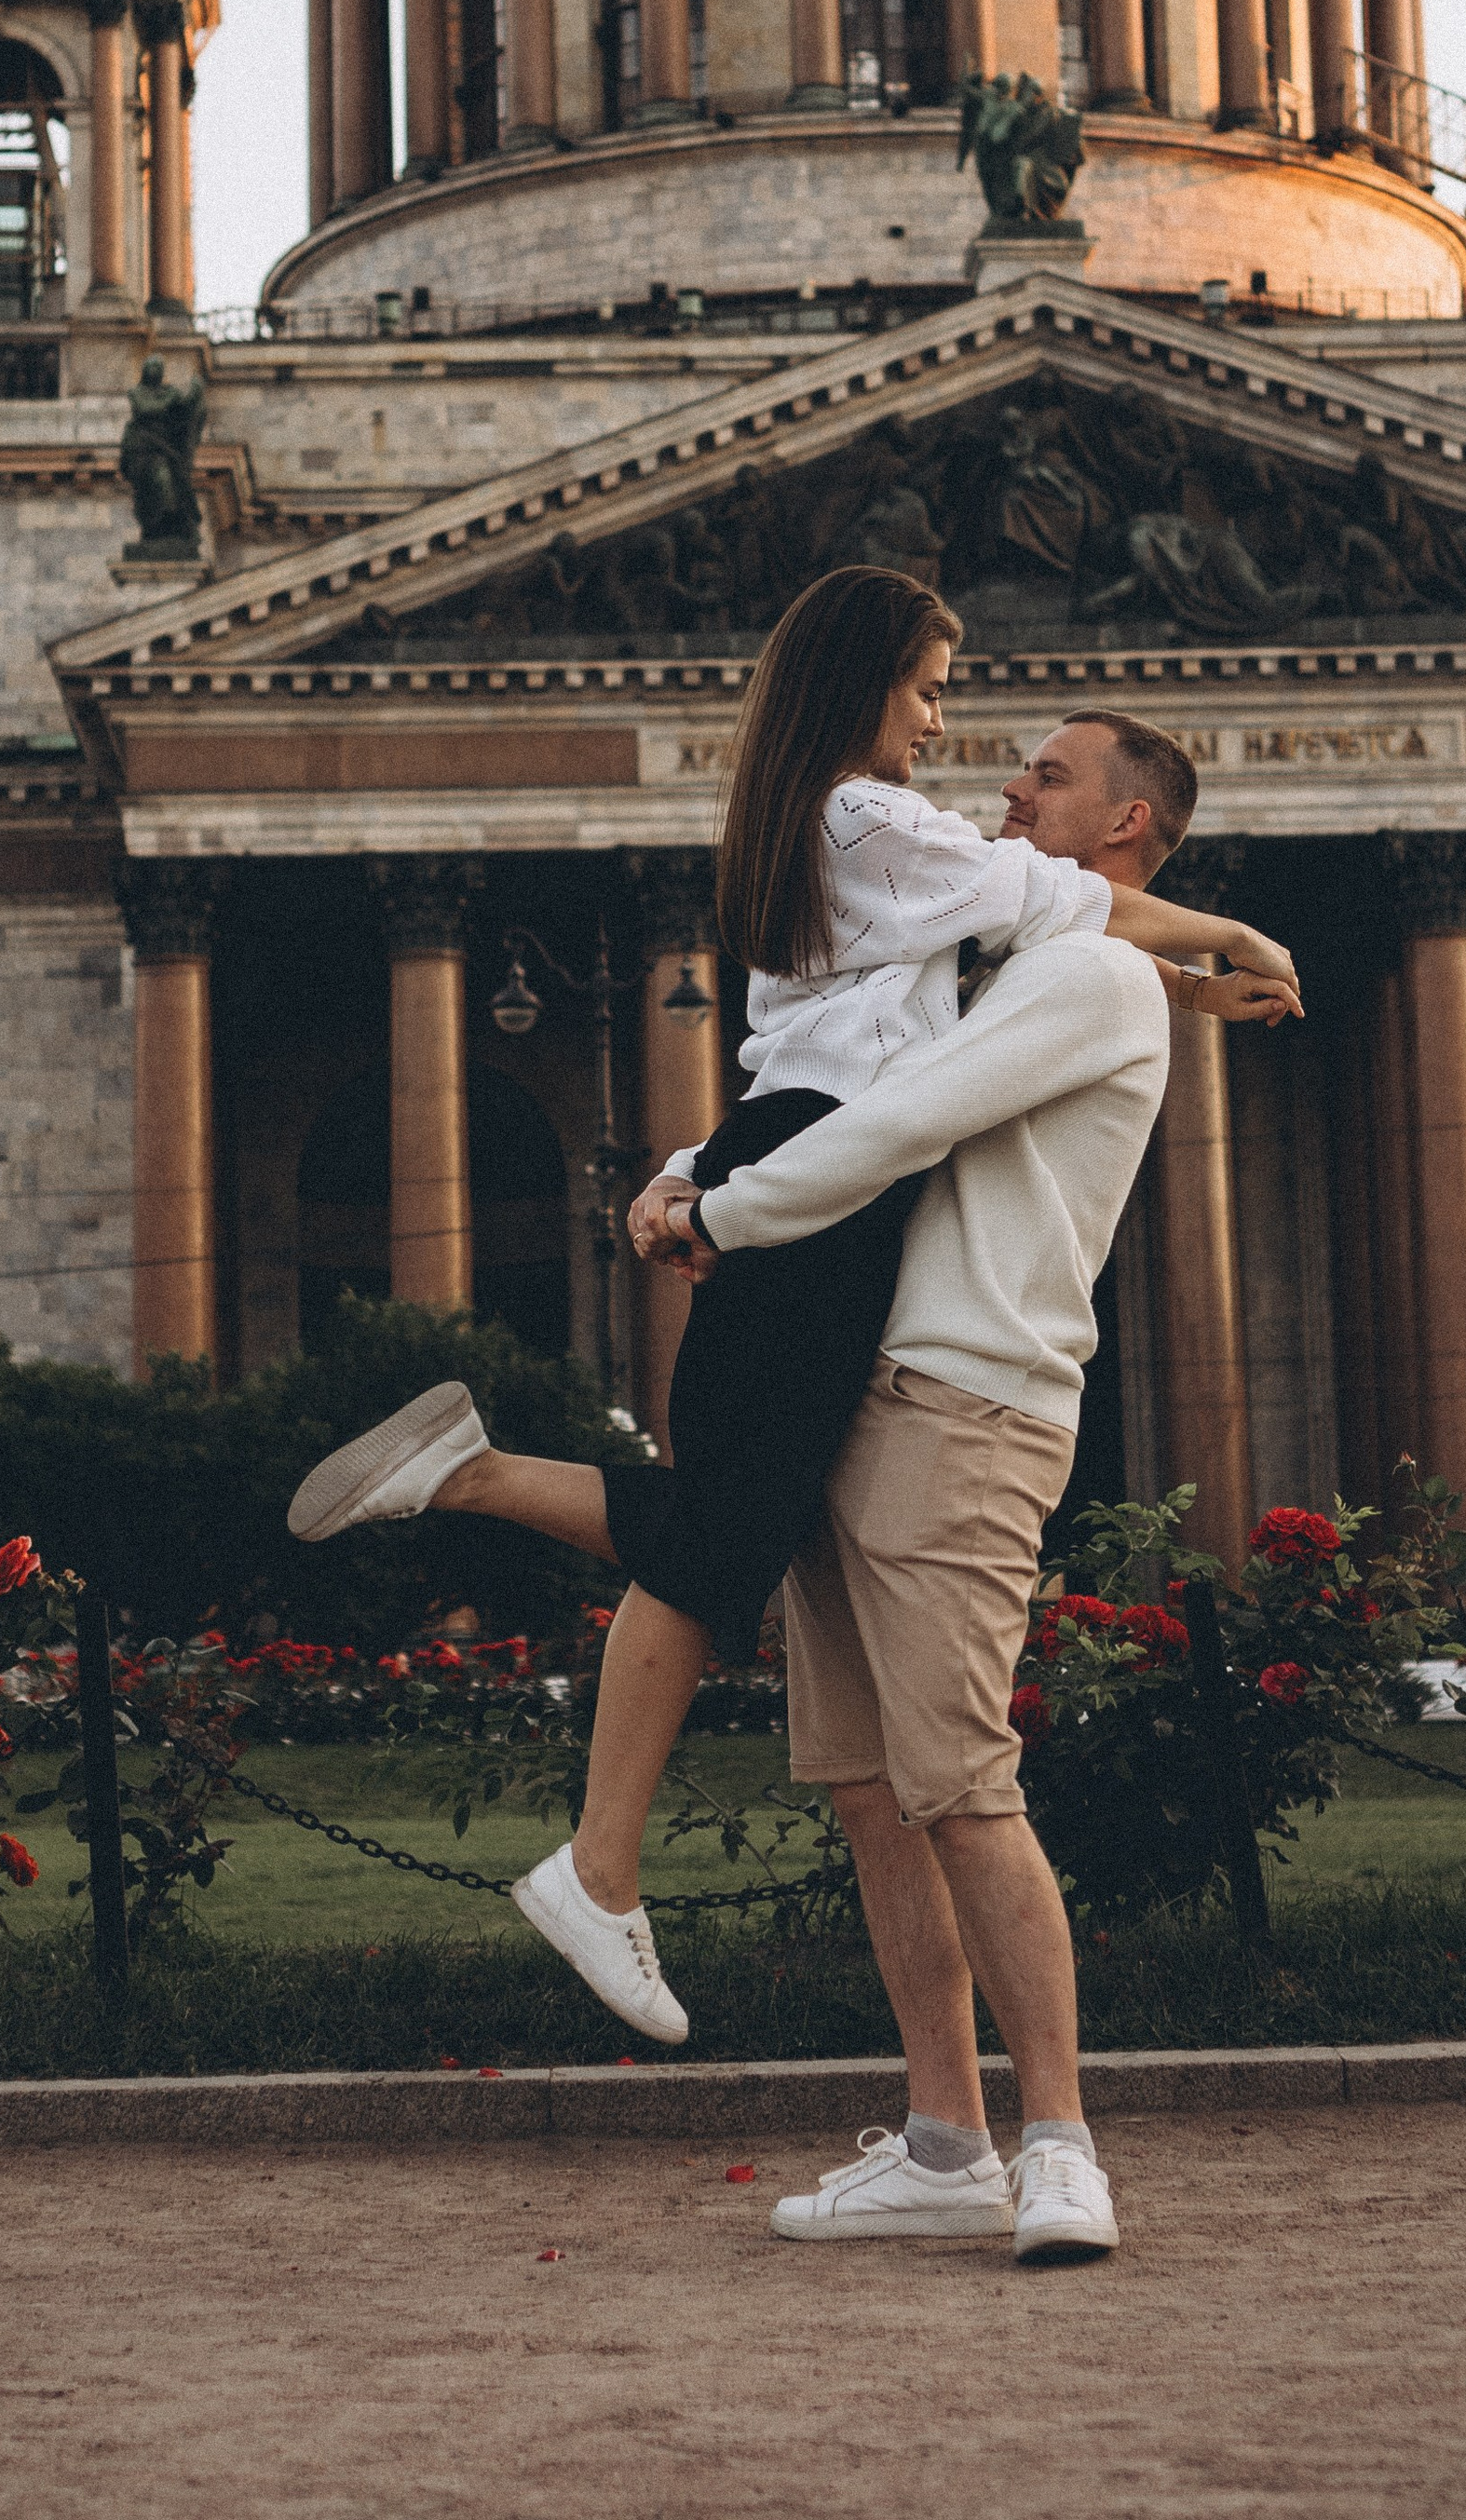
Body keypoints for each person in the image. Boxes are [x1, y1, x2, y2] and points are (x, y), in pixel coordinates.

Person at [286, 572, 1296, 2043]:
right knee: (718, 1540)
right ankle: (584, 1829)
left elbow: (996, 989)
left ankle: (490, 1543)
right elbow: (1045, 921)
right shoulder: (867, 818)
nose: (961, 736)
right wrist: (1233, 938)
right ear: (864, 679)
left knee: (729, 1524)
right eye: (932, 688)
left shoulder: (844, 832)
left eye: (1037, 762)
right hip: (814, 1175)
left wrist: (701, 1169)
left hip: (789, 1145)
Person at [629, 705, 1213, 2269]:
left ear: (1124, 830)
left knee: (960, 1783)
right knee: (873, 1793)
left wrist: (723, 1218)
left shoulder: (1090, 979)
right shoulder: (986, 969)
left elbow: (894, 1129)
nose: (1005, 786)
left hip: (962, 1397)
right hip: (863, 1393)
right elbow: (836, 1089)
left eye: (1049, 775)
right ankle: (949, 2139)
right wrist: (702, 1166)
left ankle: (1065, 2145)